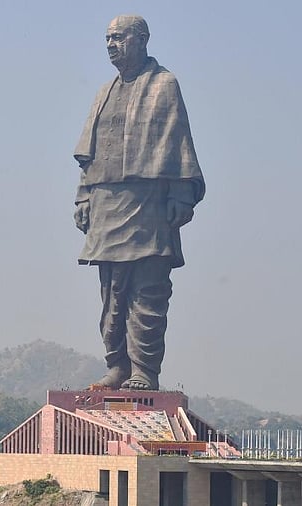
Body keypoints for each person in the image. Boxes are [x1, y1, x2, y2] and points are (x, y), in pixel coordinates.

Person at [73, 15, 205, 391]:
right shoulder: (104, 91)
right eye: (107, 38)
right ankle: (117, 365)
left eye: (119, 37)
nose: (111, 44)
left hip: (148, 203)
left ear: (142, 39)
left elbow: (177, 141)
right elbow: (90, 154)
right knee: (111, 290)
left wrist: (180, 194)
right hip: (106, 202)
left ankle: (144, 370)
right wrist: (84, 196)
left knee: (148, 289)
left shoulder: (164, 84)